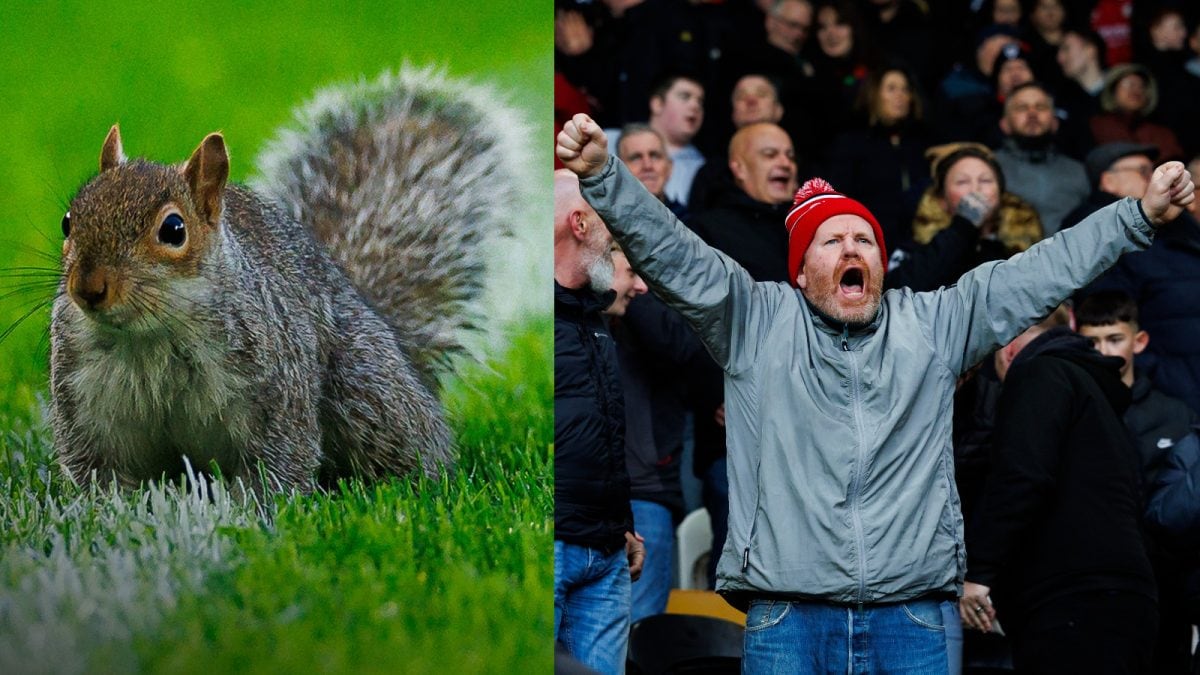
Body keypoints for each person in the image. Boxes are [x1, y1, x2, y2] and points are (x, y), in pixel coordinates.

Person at [557, 111, 1193, 673]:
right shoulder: (754, 320)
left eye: (864, 239)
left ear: (883, 264)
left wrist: (1136, 216)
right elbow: (677, 255)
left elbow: (1040, 271)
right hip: (789, 615)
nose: (851, 247)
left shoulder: (937, 324)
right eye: (831, 242)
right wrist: (605, 175)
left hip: (912, 616)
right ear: (802, 273)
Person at [959, 323, 1158, 674]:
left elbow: (1022, 476)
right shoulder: (1094, 390)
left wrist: (978, 574)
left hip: (1072, 602)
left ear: (1006, 349)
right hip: (1123, 597)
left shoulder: (1038, 373)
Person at [1075, 289, 1199, 674]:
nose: (1103, 351)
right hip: (1091, 581)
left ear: (1138, 340)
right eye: (1092, 341)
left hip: (1165, 585)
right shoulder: (1071, 409)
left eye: (1115, 338)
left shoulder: (1172, 413)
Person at [553, 170, 645, 674]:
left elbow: (602, 433)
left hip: (607, 550)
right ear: (581, 223)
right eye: (610, 228)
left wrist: (623, 524)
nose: (616, 242)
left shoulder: (595, 317)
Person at [911, 142, 1043, 276]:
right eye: (962, 182)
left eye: (985, 180)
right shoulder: (919, 246)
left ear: (1001, 194)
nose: (975, 190)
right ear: (942, 200)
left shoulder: (1028, 245)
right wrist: (962, 227)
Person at [993, 81, 1090, 235]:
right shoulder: (990, 169)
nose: (1032, 113)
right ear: (1004, 124)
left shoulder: (1078, 171)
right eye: (1022, 108)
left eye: (1041, 107)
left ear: (1054, 122)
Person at [616, 123, 687, 220]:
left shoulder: (690, 227)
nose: (647, 165)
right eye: (636, 158)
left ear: (669, 167)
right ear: (618, 171)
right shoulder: (606, 224)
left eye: (655, 156)